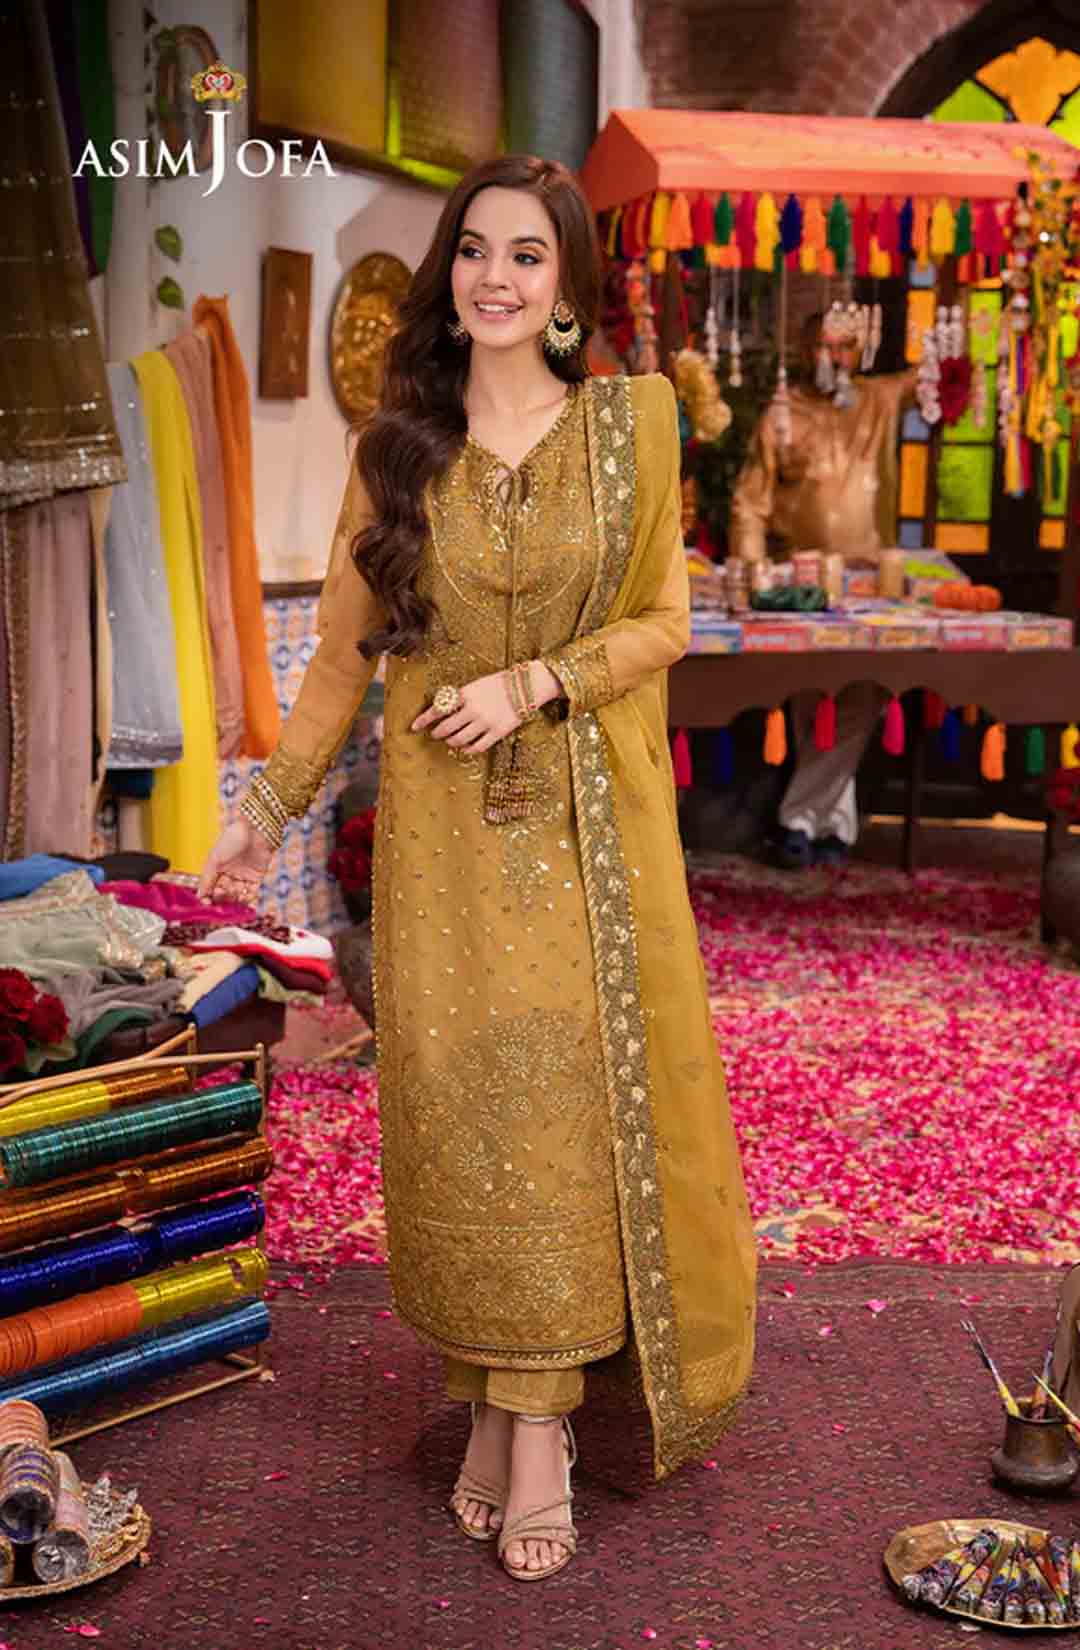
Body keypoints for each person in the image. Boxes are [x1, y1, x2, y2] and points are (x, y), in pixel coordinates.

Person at [200, 155, 757, 1581]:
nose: (494, 278)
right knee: (467, 1123)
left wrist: (537, 683)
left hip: (581, 836)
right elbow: (344, 658)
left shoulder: (629, 429)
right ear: (448, 277)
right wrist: (266, 809)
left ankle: (542, 1431)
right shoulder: (401, 450)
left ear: (566, 285)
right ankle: (498, 1406)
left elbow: (666, 622)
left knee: (562, 1124)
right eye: (473, 251)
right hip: (442, 848)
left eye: (526, 254)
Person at [730, 310, 915, 869]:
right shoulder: (783, 413)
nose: (833, 357)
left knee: (865, 694)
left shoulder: (880, 399)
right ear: (804, 350)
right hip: (802, 583)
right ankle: (830, 827)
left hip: (872, 582)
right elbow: (750, 502)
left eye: (845, 346)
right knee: (813, 699)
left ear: (860, 350)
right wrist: (752, 575)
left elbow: (948, 370)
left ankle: (798, 820)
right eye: (823, 346)